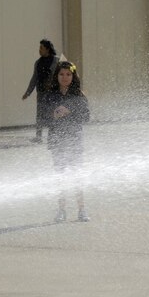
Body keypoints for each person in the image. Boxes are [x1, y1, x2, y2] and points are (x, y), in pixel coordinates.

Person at [46, 60, 90, 222]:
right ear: (56, 76)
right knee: (61, 176)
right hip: (57, 141)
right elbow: (43, 116)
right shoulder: (50, 95)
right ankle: (61, 209)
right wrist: (54, 114)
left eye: (68, 75)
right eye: (61, 74)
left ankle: (82, 209)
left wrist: (69, 111)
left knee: (77, 175)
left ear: (73, 76)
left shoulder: (78, 95)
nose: (65, 78)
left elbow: (86, 117)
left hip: (75, 141)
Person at [22, 38, 60, 143]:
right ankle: (38, 137)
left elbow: (66, 72)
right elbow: (34, 78)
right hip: (41, 92)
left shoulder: (57, 60)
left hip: (53, 93)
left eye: (41, 48)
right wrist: (28, 92)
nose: (39, 50)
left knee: (53, 114)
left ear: (48, 49)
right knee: (40, 115)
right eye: (39, 48)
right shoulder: (38, 63)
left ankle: (52, 137)